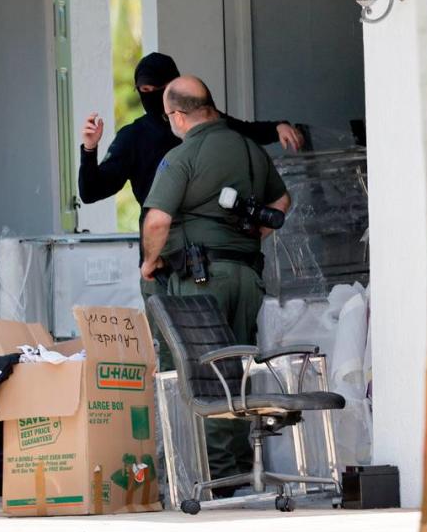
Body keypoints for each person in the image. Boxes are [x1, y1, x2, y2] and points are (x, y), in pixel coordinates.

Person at [78, 52, 301, 369]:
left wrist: (275, 128)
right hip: (204, 267)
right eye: (145, 91)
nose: (153, 99)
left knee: (191, 368)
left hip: (190, 269)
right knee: (232, 365)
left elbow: (246, 132)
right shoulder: (141, 138)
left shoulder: (198, 141)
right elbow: (92, 191)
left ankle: (203, 419)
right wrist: (89, 149)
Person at [140, 75, 291, 490]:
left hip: (200, 281)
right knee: (237, 370)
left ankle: (217, 479)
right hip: (246, 276)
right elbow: (282, 202)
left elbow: (157, 218)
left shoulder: (183, 155)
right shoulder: (249, 149)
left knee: (205, 376)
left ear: (178, 115)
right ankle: (242, 470)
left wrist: (150, 262)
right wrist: (249, 238)